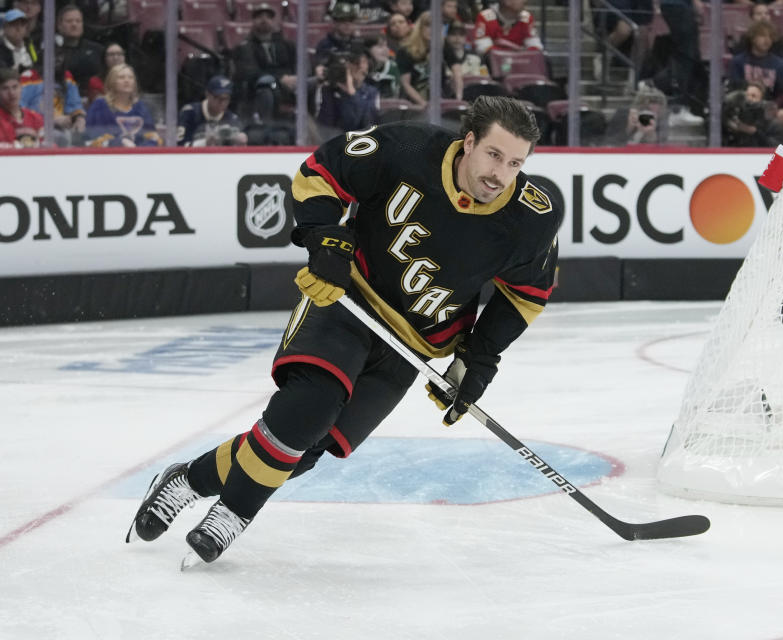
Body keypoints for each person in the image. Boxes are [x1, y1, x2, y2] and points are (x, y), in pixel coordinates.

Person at [125, 95, 560, 566]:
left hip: (412, 346)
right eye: (494, 155)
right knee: (308, 407)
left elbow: (523, 295)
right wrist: (325, 241)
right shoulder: (409, 147)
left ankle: (188, 480)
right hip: (347, 300)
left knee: (310, 447)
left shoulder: (531, 218)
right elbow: (320, 172)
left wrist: (479, 358)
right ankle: (233, 513)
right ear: (469, 142)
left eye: (515, 163)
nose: (500, 175)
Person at [233, 2, 297, 130]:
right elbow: (252, 72)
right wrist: (280, 78)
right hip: (260, 88)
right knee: (265, 84)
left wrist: (296, 77)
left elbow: (299, 63)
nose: (264, 20)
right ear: (253, 21)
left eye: (268, 16)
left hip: (290, 84)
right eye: (259, 16)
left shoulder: (286, 44)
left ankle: (313, 130)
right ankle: (266, 130)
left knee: (313, 83)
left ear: (274, 21)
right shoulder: (246, 46)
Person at [85, 63, 161, 147]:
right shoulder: (100, 105)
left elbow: (153, 137)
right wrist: (119, 142)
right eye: (121, 77)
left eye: (130, 77)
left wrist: (141, 151)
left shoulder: (139, 107)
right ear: (112, 81)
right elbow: (91, 139)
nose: (127, 80)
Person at [19, 59, 86, 146]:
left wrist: (79, 117)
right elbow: (20, 110)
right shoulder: (29, 76)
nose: (59, 59)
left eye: (61, 55)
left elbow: (74, 104)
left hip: (63, 127)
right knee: (60, 138)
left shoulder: (67, 76)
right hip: (35, 129)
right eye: (56, 55)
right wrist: (51, 120)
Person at [315, 46, 379, 132]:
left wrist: (352, 94)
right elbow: (325, 126)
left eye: (363, 62)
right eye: (355, 63)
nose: (359, 67)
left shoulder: (371, 92)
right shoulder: (328, 90)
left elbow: (368, 125)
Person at [177, 75, 248, 146]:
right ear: (207, 95)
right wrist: (204, 143)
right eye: (218, 97)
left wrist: (240, 142)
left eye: (226, 99)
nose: (222, 103)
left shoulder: (232, 119)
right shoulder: (190, 113)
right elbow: (178, 146)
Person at [56, 4, 104, 103]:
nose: (74, 24)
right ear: (59, 25)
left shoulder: (97, 50)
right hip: (63, 101)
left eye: (78, 21)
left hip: (96, 100)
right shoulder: (52, 53)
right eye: (69, 21)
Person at [721, 81, 783, 148]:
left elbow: (777, 148)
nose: (749, 99)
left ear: (762, 100)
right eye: (747, 95)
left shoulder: (772, 124)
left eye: (754, 96)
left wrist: (754, 132)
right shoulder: (737, 117)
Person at [472, 0, 544, 58]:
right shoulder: (485, 17)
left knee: (544, 60)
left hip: (520, 65)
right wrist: (519, 52)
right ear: (506, 1)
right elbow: (483, 49)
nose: (525, 1)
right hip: (493, 67)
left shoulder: (527, 18)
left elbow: (536, 47)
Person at [0, 66, 42, 148]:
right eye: (5, 88)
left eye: (15, 87)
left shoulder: (35, 117)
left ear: (21, 88)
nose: (11, 93)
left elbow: (48, 146)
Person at [365, 33, 402, 98]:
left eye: (387, 46)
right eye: (380, 46)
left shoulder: (393, 67)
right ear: (368, 50)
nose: (386, 50)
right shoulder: (360, 68)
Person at [1, 8, 37, 74]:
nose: (18, 28)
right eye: (13, 24)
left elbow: (37, 63)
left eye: (22, 24)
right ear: (4, 27)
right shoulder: (1, 48)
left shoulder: (30, 44)